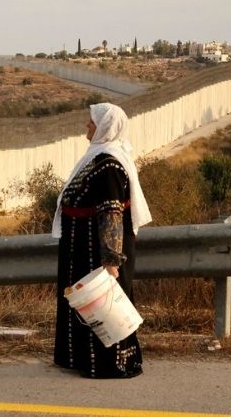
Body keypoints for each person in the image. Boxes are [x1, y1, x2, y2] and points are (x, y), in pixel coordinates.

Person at [51, 102, 152, 379]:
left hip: (95, 250)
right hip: (79, 246)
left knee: (102, 304)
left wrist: (110, 260)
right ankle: (77, 358)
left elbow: (111, 214)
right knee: (82, 301)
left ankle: (109, 364)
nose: (87, 125)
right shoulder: (96, 157)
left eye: (92, 122)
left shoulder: (109, 164)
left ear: (104, 127)